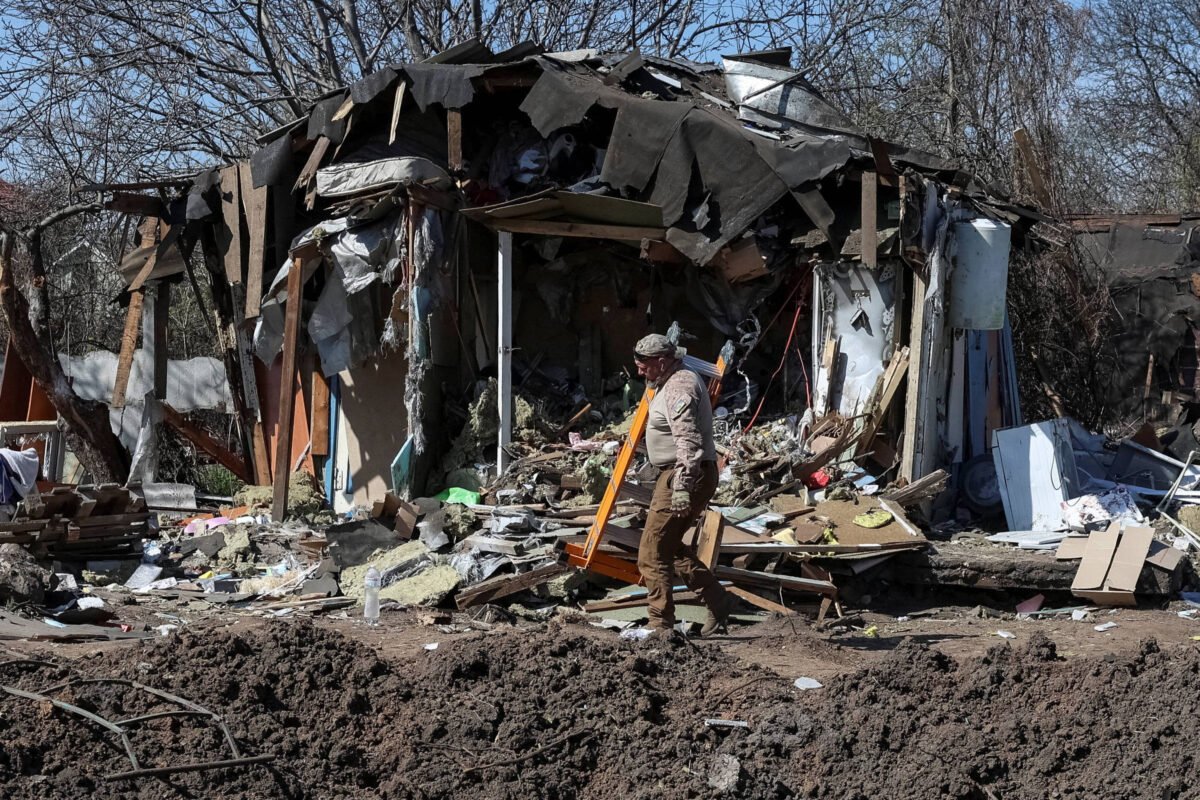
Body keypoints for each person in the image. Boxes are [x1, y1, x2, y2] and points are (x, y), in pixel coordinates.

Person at [632, 333, 733, 636]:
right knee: (670, 547)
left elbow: (688, 440)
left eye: (643, 366)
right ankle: (718, 602)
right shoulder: (670, 381)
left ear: (662, 362)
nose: (639, 372)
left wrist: (681, 486)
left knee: (651, 552)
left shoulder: (679, 386)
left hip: (685, 473)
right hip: (683, 473)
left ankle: (660, 626)